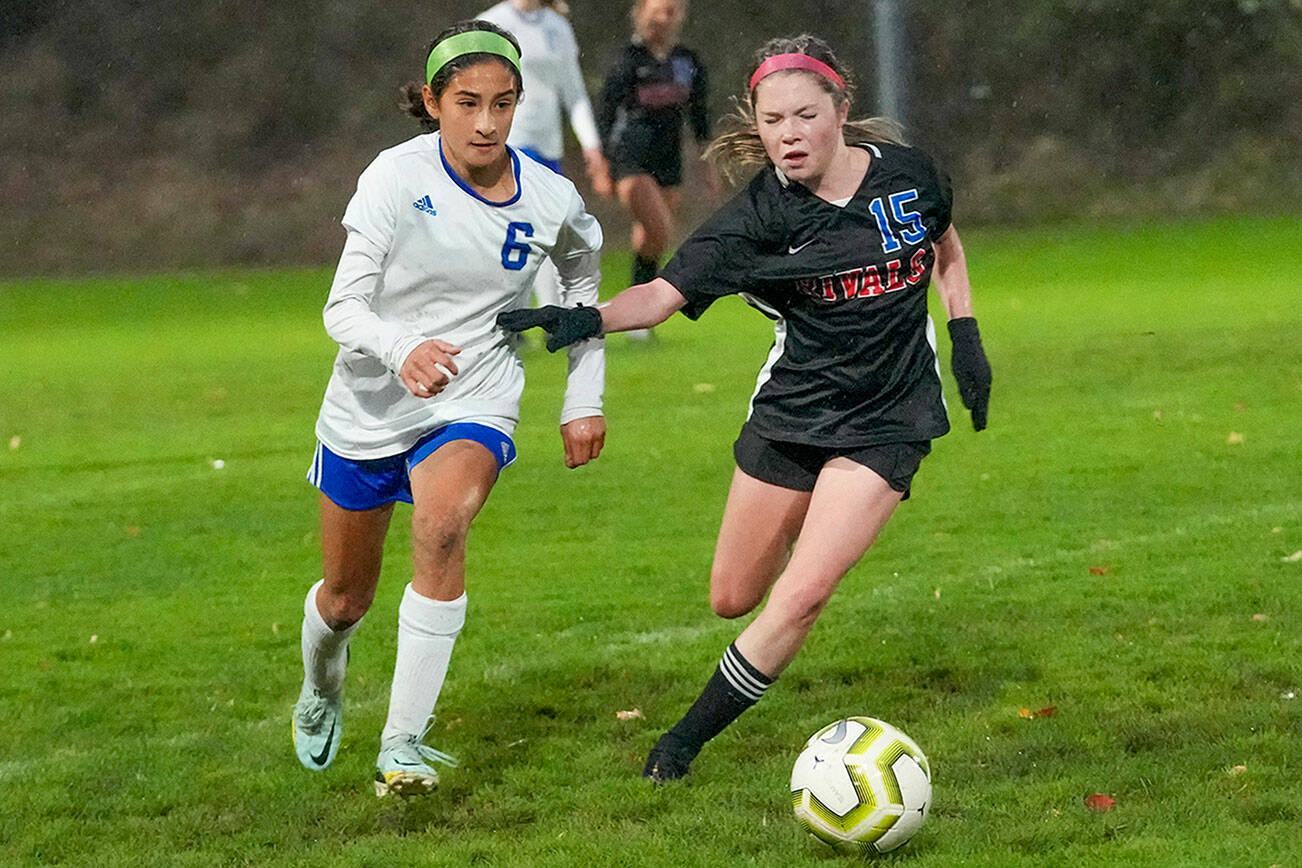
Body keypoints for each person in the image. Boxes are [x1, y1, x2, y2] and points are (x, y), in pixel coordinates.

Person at [498, 34, 992, 783]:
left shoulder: (910, 175)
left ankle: (681, 744)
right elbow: (661, 296)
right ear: (756, 125)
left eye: (804, 115)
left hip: (891, 418)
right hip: (792, 414)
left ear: (841, 110)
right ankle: (811, 544)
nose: (788, 134)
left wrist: (965, 335)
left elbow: (942, 240)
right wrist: (587, 317)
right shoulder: (757, 220)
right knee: (733, 597)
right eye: (772, 121)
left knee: (800, 596)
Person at [291, 19, 607, 798]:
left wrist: (583, 397)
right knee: (343, 600)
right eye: (467, 102)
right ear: (432, 102)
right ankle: (323, 685)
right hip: (367, 405)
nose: (487, 122)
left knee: (441, 528)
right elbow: (342, 309)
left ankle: (402, 743)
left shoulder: (551, 198)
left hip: (477, 392)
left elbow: (582, 292)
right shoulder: (394, 179)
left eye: (503, 103)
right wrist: (402, 349)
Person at [476, 0, 608, 307]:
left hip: (548, 146)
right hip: (509, 140)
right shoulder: (492, 22)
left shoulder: (557, 26)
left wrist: (591, 144)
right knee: (525, 227)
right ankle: (524, 312)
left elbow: (573, 91)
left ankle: (543, 314)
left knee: (545, 227)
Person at [594, 0, 709, 335]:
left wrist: (707, 163)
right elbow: (605, 114)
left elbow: (699, 115)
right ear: (641, 12)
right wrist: (602, 165)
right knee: (660, 229)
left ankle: (635, 315)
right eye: (658, 9)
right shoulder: (628, 60)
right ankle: (639, 308)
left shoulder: (687, 61)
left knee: (650, 240)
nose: (665, 17)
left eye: (672, 10)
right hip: (631, 157)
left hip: (669, 159)